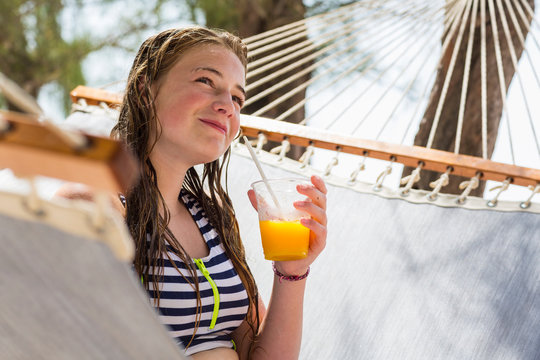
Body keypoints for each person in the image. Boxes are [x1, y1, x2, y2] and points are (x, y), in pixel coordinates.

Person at [58, 26, 327, 359]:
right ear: (146, 91)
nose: (228, 106)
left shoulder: (213, 218)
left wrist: (291, 272)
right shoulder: (94, 208)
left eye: (238, 98)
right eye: (206, 81)